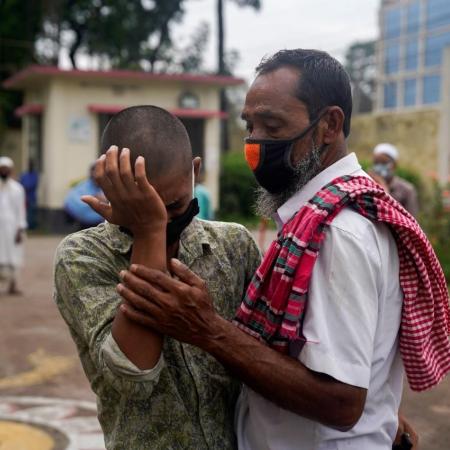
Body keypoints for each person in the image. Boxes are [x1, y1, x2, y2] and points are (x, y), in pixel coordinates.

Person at [116, 50, 449, 450]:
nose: (255, 145)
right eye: (250, 126)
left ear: (329, 124)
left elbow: (342, 402)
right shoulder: (323, 216)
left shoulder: (337, 232)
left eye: (272, 127)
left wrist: (208, 330)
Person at [54, 105, 261, 449]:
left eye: (174, 208)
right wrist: (149, 231)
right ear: (110, 185)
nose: (162, 221)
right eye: (146, 208)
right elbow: (134, 377)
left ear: (195, 171)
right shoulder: (82, 256)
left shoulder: (233, 246)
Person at [0, 156, 27, 295]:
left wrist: (20, 228)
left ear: (10, 170)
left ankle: (13, 285)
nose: (4, 171)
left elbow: (21, 210)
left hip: (12, 228)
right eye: (2, 168)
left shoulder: (17, 189)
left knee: (14, 257)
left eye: (6, 169)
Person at [372, 143, 419, 217]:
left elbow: (412, 219)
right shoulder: (370, 186)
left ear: (394, 165)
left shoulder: (407, 190)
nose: (379, 166)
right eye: (376, 163)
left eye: (384, 162)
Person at [63, 164, 106, 229]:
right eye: (95, 172)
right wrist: (94, 199)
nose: (97, 175)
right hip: (85, 223)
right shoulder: (82, 187)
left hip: (101, 223)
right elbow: (72, 203)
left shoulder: (108, 186)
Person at [20, 158, 39, 229]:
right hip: (24, 197)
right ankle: (26, 225)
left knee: (32, 212)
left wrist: (25, 187)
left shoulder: (35, 175)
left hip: (31, 197)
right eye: (29, 164)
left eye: (31, 164)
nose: (30, 166)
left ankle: (32, 227)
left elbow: (33, 185)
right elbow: (20, 183)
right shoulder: (24, 174)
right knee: (25, 212)